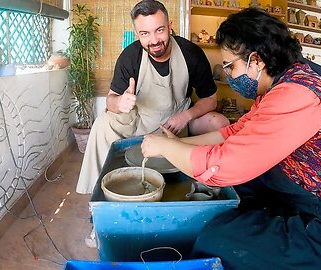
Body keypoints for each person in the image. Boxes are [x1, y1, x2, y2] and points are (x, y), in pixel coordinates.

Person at [141, 8, 321, 270]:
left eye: (230, 66)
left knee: (217, 241)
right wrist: (177, 144)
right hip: (302, 194)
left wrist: (165, 147)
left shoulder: (297, 96)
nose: (229, 75)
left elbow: (224, 166)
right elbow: (233, 133)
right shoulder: (281, 86)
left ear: (255, 60)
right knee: (229, 197)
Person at [76, 0, 229, 194]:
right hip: (140, 122)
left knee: (220, 123)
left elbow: (211, 100)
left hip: (178, 122)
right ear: (138, 34)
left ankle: (216, 186)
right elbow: (110, 100)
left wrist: (185, 117)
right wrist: (120, 102)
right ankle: (98, 195)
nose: (154, 40)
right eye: (145, 33)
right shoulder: (130, 56)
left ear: (170, 27)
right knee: (102, 123)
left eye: (159, 30)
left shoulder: (191, 54)